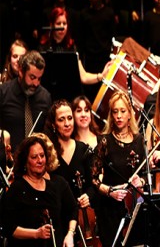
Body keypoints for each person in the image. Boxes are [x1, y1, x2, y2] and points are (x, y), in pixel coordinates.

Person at [0, 133, 78, 247]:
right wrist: (36, 234)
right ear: (25, 161)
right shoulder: (17, 189)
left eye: (42, 155)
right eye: (34, 157)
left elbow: (73, 209)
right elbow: (8, 227)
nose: (40, 160)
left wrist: (70, 234)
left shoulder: (56, 185)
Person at [90, 91, 147, 247]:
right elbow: (93, 180)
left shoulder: (139, 140)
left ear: (130, 114)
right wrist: (110, 192)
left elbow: (146, 175)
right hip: (110, 209)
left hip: (133, 207)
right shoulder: (105, 141)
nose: (119, 116)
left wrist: (140, 180)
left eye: (123, 111)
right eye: (115, 112)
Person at [42, 99, 96, 233]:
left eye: (70, 118)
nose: (67, 124)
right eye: (61, 120)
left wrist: (88, 196)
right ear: (54, 124)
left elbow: (93, 183)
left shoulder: (83, 149)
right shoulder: (48, 153)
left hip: (83, 219)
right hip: (58, 219)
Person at [38, 7, 110, 87]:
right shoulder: (43, 47)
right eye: (58, 23)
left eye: (64, 23)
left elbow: (83, 77)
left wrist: (102, 75)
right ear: (51, 25)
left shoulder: (72, 47)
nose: (62, 27)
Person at [0, 50, 52, 150]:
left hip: (36, 160)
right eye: (32, 77)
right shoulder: (3, 93)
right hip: (9, 158)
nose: (36, 83)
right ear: (21, 71)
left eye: (39, 78)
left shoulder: (45, 97)